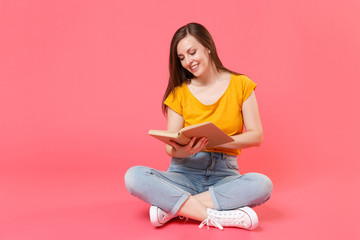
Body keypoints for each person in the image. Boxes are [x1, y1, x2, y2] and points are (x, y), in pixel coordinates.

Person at [124, 22, 273, 230]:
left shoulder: (242, 84)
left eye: (192, 52)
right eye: (182, 58)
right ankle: (216, 215)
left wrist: (217, 141)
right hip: (183, 173)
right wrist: (184, 151)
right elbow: (170, 147)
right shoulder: (178, 93)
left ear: (208, 46)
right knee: (133, 176)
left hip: (225, 175)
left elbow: (256, 136)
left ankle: (174, 208)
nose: (188, 62)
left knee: (263, 184)